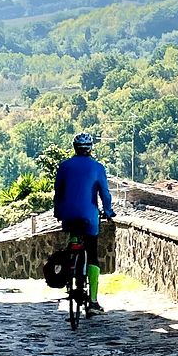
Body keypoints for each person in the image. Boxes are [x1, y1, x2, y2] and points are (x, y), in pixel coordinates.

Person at [53, 133, 115, 314]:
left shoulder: (64, 166)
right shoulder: (97, 167)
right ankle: (93, 302)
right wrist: (109, 212)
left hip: (68, 215)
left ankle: (70, 270)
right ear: (90, 149)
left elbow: (58, 192)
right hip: (89, 217)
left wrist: (58, 212)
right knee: (92, 255)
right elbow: (104, 194)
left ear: (75, 148)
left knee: (73, 240)